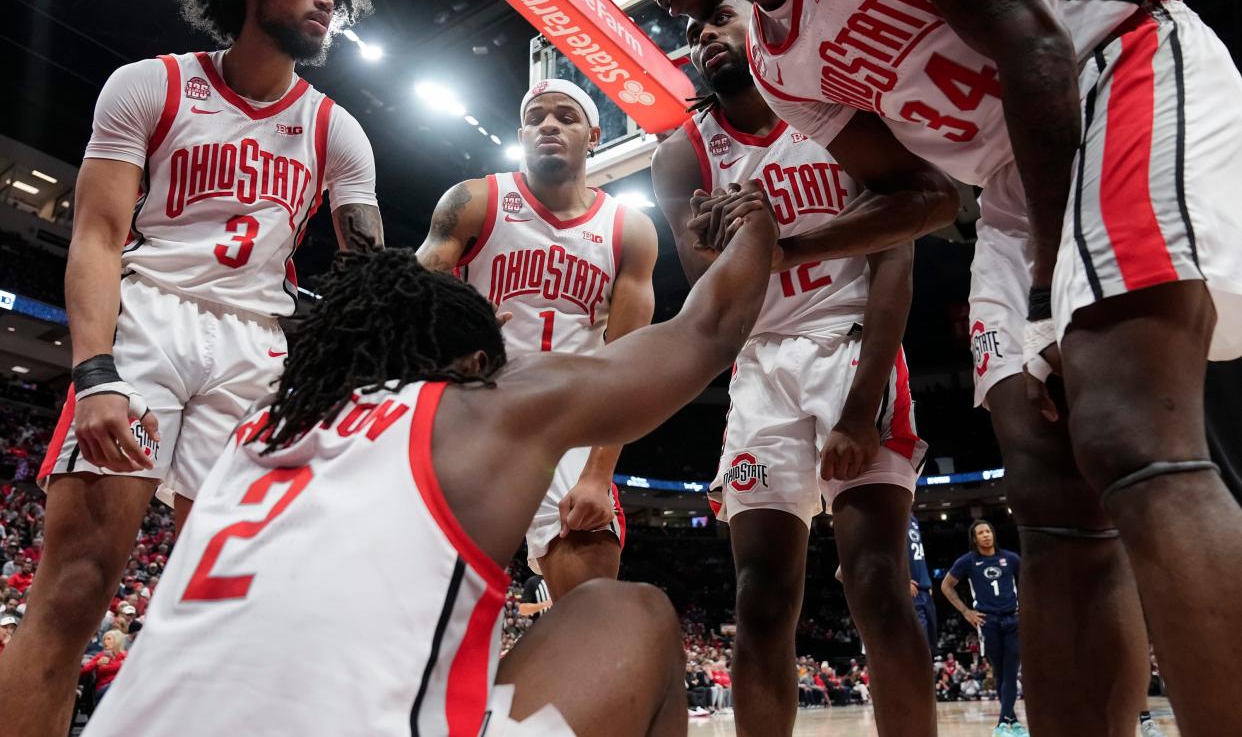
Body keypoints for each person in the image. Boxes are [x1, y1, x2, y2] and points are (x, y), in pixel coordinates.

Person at [619, 0, 1242, 732]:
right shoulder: (779, 68)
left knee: (1128, 434)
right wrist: (784, 246)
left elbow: (1033, 41)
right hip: (1010, 173)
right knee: (1051, 489)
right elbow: (924, 198)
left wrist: (1052, 299)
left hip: (1113, 70)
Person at [80, 196, 777, 735]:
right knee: (627, 610)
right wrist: (754, 223)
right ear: (473, 364)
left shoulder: (258, 431)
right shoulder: (475, 408)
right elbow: (707, 331)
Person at [0, 0, 383, 734]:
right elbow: (99, 235)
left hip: (257, 347)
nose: (327, 0)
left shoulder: (337, 130)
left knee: (235, 604)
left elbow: (366, 278)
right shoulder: (150, 83)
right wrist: (95, 370)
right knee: (73, 589)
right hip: (149, 324)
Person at [654, 0, 932, 737]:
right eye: (691, 34)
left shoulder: (832, 106)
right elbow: (707, 287)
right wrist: (728, 244)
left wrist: (861, 402)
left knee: (877, 585)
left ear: (764, 19)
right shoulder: (684, 152)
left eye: (719, 18)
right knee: (761, 600)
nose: (704, 37)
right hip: (761, 365)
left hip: (848, 344)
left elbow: (896, 252)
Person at [416, 79, 658, 600]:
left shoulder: (628, 229)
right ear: (521, 133)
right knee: (429, 598)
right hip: (477, 404)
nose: (549, 125)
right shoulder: (475, 200)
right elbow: (407, 304)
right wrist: (454, 335)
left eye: (565, 117)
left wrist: (598, 475)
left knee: (589, 606)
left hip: (568, 423)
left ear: (594, 134)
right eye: (537, 117)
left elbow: (630, 366)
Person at [942, 520, 1024, 736]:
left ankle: (1002, 723)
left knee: (1011, 671)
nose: (986, 535)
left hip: (1012, 620)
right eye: (981, 533)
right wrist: (965, 611)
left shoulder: (1011, 558)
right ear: (974, 538)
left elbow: (1029, 581)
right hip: (987, 622)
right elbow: (946, 586)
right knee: (999, 672)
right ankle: (1013, 722)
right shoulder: (968, 561)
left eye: (988, 531)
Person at [906, 513, 936, 657]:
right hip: (911, 588)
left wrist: (927, 581)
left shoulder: (912, 518)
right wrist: (904, 579)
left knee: (930, 645)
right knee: (920, 646)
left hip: (923, 587)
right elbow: (890, 551)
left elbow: (918, 555)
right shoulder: (891, 514)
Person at [79, 629, 128, 708]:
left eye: (108, 639)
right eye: (104, 639)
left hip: (120, 688)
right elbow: (83, 670)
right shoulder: (101, 656)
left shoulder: (125, 656)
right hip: (103, 688)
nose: (105, 641)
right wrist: (97, 663)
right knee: (112, 686)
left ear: (117, 641)